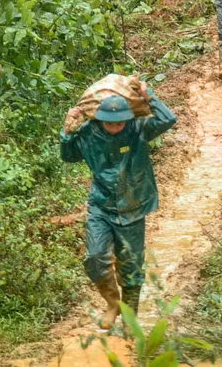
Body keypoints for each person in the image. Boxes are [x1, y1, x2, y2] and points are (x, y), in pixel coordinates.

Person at [60, 86, 177, 330]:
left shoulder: (137, 129)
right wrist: (67, 128)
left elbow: (168, 119)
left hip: (133, 206)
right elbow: (68, 155)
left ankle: (129, 316)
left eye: (119, 123)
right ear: (100, 119)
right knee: (94, 258)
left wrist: (149, 95)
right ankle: (112, 303)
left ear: (127, 119)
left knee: (131, 264)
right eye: (110, 124)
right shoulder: (89, 133)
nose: (115, 128)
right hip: (101, 206)